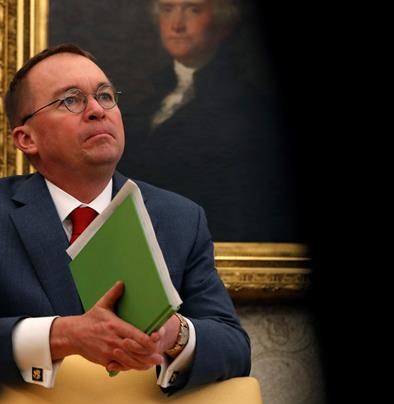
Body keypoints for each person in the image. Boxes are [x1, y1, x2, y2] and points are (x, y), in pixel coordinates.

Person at [0, 43, 250, 394]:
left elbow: (234, 347)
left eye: (105, 96)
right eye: (70, 100)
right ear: (27, 139)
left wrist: (173, 334)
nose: (96, 110)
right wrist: (62, 335)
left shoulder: (181, 218)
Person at [118, 0, 298, 241]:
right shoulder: (148, 100)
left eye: (193, 10)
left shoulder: (246, 107)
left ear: (223, 24)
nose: (177, 25)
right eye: (167, 9)